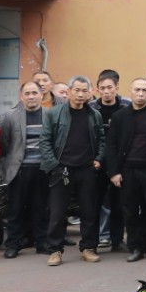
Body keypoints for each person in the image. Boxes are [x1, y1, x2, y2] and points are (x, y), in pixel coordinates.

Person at [104, 75, 146, 261]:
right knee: (130, 211)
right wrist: (114, 172)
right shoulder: (119, 116)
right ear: (130, 91)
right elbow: (111, 146)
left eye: (144, 90)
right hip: (127, 171)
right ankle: (136, 248)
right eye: (137, 90)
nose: (141, 93)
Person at [41, 76, 106, 266]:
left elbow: (102, 139)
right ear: (69, 91)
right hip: (61, 169)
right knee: (57, 213)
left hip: (87, 169)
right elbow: (45, 141)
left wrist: (99, 159)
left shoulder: (94, 115)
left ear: (90, 93)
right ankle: (55, 250)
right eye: (76, 90)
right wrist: (54, 165)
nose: (80, 94)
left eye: (84, 91)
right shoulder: (54, 113)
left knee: (89, 211)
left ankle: (88, 248)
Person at [0, 80, 50, 257]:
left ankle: (42, 243)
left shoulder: (50, 115)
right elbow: (4, 143)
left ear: (41, 95)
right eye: (27, 93)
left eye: (34, 93)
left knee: (41, 208)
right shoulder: (10, 116)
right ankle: (13, 244)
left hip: (43, 169)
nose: (31, 96)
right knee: (16, 209)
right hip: (19, 170)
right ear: (21, 96)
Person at [92, 70, 129, 252]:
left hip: (119, 162)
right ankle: (92, 241)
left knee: (118, 203)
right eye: (102, 88)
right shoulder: (90, 108)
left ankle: (117, 240)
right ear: (97, 89)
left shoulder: (126, 106)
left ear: (117, 87)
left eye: (109, 87)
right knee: (93, 203)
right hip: (96, 161)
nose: (106, 91)